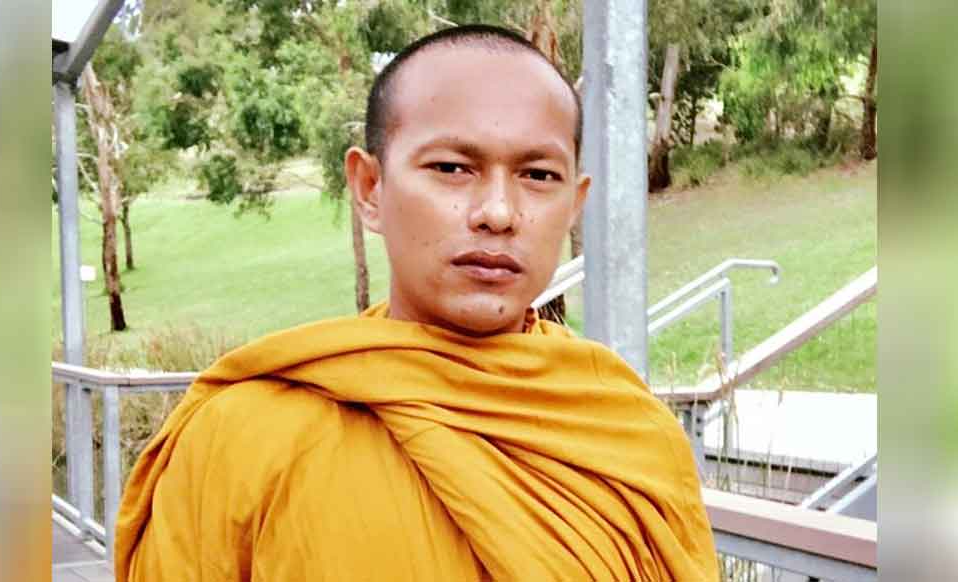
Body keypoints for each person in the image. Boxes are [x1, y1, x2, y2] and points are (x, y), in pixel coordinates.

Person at [116, 24, 718, 581]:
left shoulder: (628, 437)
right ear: (370, 189)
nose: (499, 213)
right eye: (453, 167)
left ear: (575, 205)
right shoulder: (242, 438)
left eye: (538, 176)